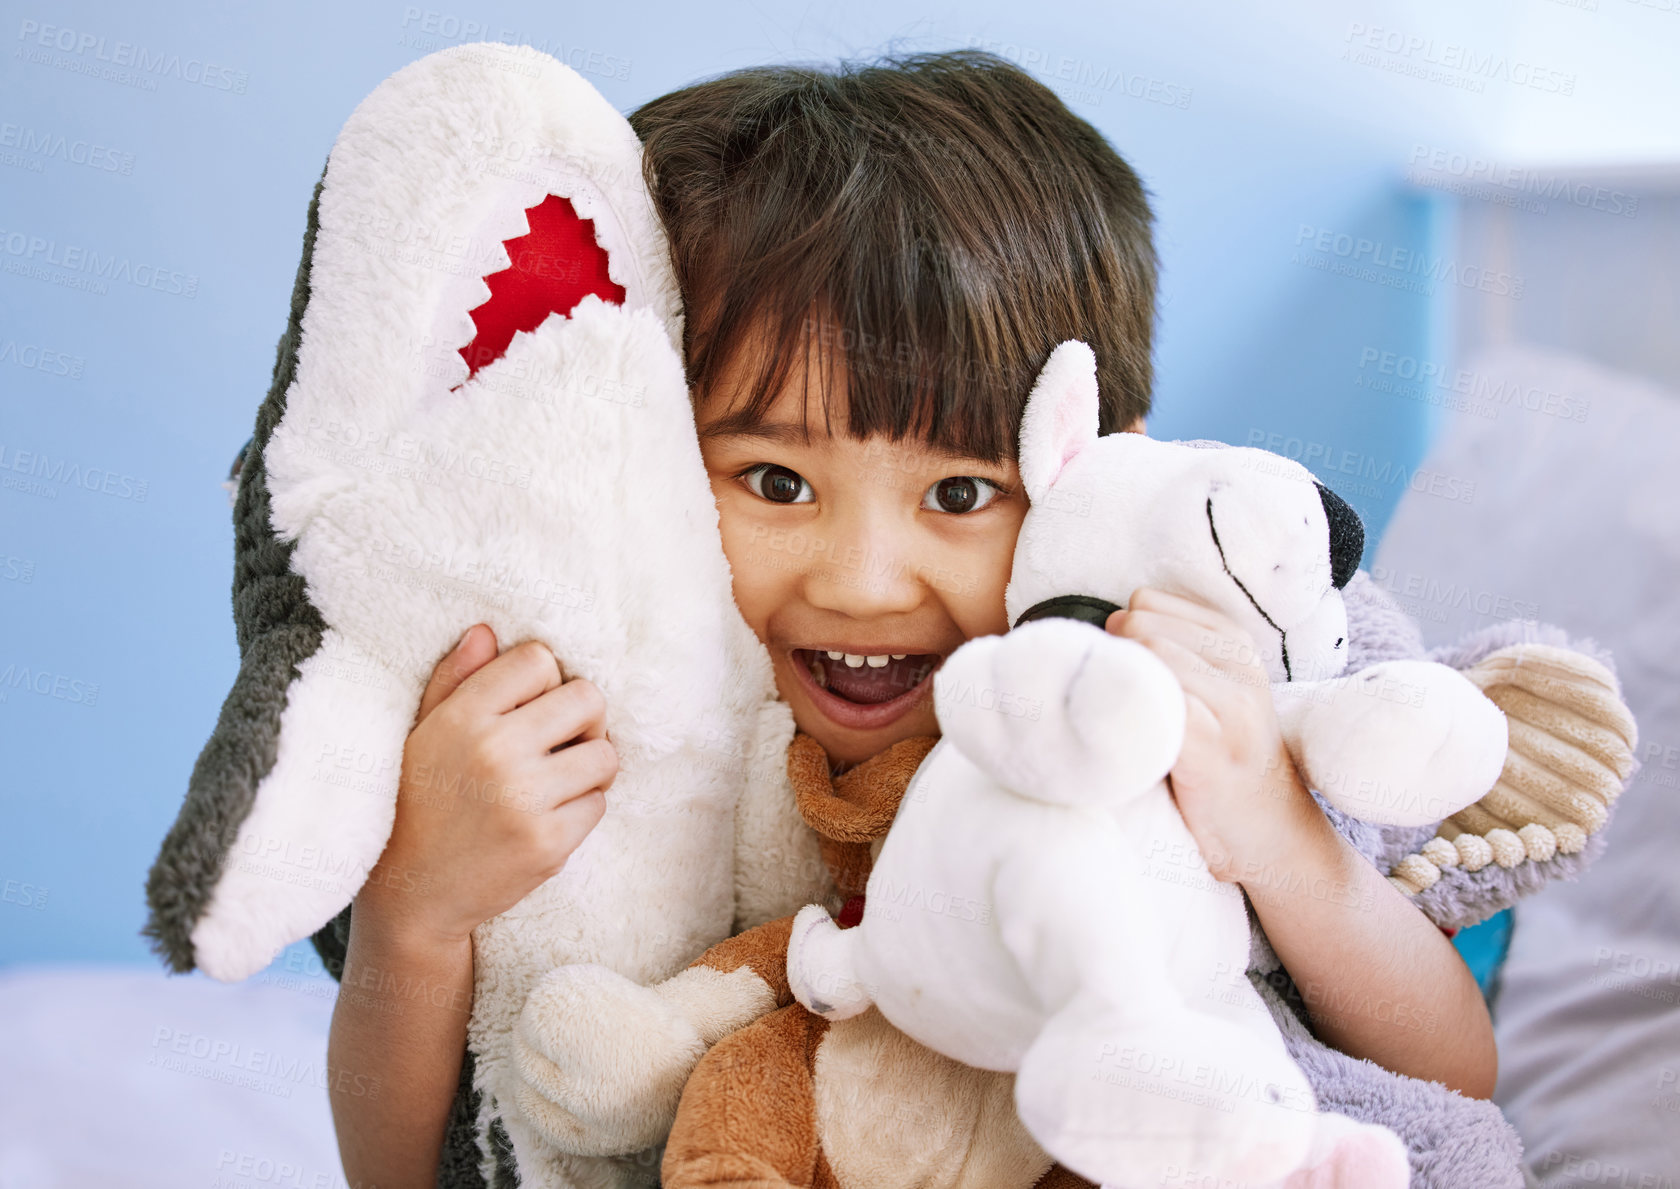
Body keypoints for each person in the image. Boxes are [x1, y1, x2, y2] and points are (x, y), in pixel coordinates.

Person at [321, 49, 1495, 1187]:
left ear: (1085, 470)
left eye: (962, 494)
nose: (866, 581)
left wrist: (1276, 832)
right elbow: (403, 1171)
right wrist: (416, 912)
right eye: (776, 482)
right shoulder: (584, 713)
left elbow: (1458, 1076)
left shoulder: (1159, 680)